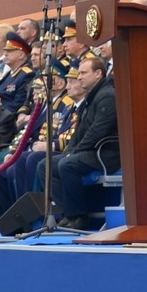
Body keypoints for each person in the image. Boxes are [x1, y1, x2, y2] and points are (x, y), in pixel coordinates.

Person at [48, 53, 119, 231]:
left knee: (67, 164)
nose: (79, 77)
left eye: (83, 73)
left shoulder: (107, 95)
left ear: (98, 74)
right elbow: (79, 132)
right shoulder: (91, 96)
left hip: (106, 153)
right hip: (89, 151)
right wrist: (70, 150)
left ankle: (79, 216)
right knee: (46, 165)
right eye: (79, 73)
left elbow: (98, 131)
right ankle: (67, 213)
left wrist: (75, 152)